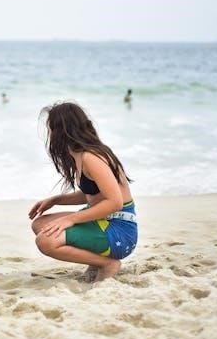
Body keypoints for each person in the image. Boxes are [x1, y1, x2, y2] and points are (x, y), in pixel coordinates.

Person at [29, 102, 138, 282]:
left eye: (50, 128)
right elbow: (93, 194)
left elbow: (115, 202)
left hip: (118, 231)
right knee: (40, 224)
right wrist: (55, 200)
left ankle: (107, 264)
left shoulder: (91, 157)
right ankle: (95, 262)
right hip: (102, 221)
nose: (48, 133)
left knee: (46, 241)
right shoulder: (80, 154)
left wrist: (70, 219)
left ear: (61, 130)